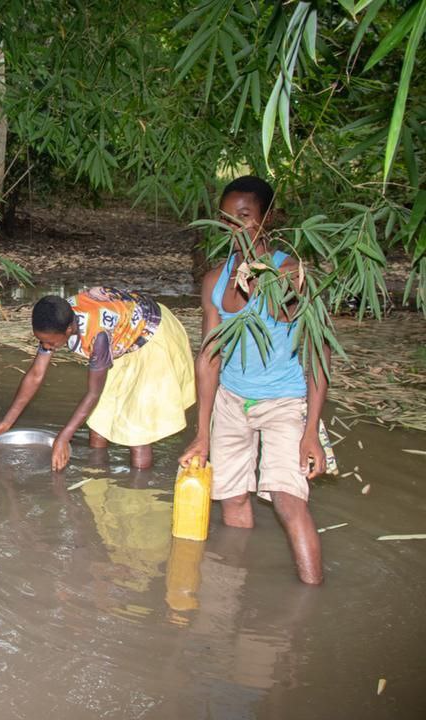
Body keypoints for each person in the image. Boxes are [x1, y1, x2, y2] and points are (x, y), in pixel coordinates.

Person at [179, 175, 332, 586]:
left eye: (244, 217)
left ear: (267, 219)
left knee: (288, 500)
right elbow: (210, 357)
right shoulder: (215, 280)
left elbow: (318, 353)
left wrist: (311, 431)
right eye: (226, 220)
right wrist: (202, 433)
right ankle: (230, 591)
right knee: (231, 498)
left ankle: (310, 601)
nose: (234, 228)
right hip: (231, 401)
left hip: (284, 402)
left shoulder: (289, 274)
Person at [0, 288, 195, 471]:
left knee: (136, 431)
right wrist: (7, 421)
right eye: (42, 341)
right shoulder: (59, 317)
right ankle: (96, 475)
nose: (46, 347)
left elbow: (94, 392)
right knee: (99, 420)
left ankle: (137, 488)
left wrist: (63, 437)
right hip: (123, 335)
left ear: (68, 330)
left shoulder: (98, 338)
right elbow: (36, 374)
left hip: (150, 336)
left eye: (49, 342)